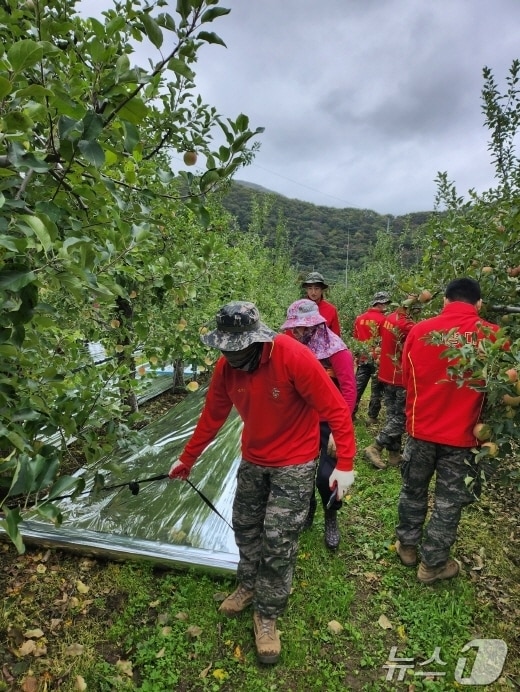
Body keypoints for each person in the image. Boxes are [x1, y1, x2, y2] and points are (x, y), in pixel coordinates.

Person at [168, 301, 356, 664]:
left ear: (257, 340)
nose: (231, 355)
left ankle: (267, 614)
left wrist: (344, 463)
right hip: (254, 458)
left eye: (237, 349)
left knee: (279, 538)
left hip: (294, 462)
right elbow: (212, 416)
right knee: (246, 526)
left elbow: (335, 408)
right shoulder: (226, 368)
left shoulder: (293, 358)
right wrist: (187, 458)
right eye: (225, 348)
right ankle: (248, 586)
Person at [395, 278, 499, 584]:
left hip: (421, 430)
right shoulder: (492, 336)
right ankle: (433, 565)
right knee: (447, 503)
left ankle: (408, 547)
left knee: (413, 491)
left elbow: (405, 379)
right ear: (478, 304)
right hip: (464, 436)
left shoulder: (420, 331)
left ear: (444, 301)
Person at [281, 299, 356, 549]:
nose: (299, 332)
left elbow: (348, 389)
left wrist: (338, 427)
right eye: (296, 328)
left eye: (303, 327)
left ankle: (331, 514)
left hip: (326, 421)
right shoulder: (293, 346)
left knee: (326, 475)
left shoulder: (336, 350)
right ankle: (309, 508)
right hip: (301, 419)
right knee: (300, 471)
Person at [364, 299, 419, 469]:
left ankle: (394, 455)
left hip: (387, 373)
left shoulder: (390, 317)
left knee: (392, 415)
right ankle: (376, 446)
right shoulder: (407, 325)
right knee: (402, 417)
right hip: (400, 376)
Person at [352, 291, 391, 423]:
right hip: (376, 359)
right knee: (376, 389)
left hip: (363, 357)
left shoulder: (359, 319)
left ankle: (350, 413)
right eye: (385, 304)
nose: (387, 307)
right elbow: (385, 341)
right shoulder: (383, 320)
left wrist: (357, 356)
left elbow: (356, 339)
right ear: (380, 304)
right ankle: (372, 417)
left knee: (357, 387)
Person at [301, 271, 341, 335]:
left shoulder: (331, 310)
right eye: (310, 288)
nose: (313, 292)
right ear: (306, 290)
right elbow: (290, 335)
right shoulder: (299, 308)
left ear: (322, 290)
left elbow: (336, 337)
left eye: (316, 288)